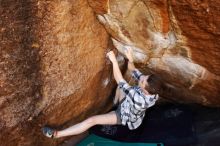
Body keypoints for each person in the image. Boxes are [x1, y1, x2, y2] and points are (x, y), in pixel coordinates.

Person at [42, 48, 162, 138]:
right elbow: (133, 70)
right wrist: (130, 59)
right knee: (125, 86)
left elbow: (119, 80)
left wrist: (114, 61)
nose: (142, 77)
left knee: (91, 121)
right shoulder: (152, 91)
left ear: (145, 90)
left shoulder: (139, 100)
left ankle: (57, 134)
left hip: (123, 116)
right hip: (127, 102)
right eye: (145, 77)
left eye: (142, 80)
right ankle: (115, 103)